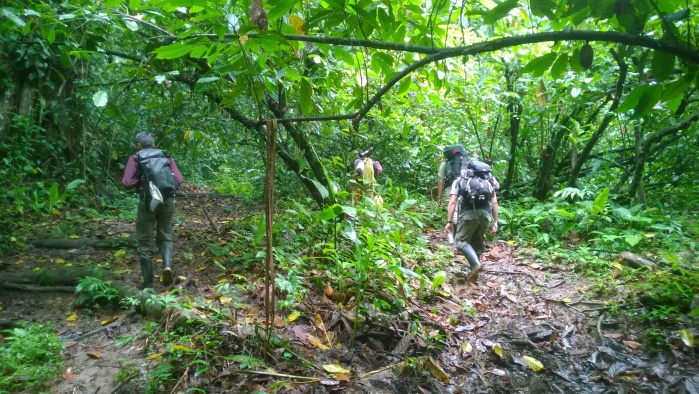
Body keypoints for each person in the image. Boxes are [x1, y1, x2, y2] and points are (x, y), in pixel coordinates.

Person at [121, 132, 184, 288]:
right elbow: (179, 180)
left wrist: (142, 181)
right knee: (165, 236)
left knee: (144, 241)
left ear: (139, 145)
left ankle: (147, 282)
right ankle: (167, 266)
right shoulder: (165, 156)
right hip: (168, 200)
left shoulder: (136, 158)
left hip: (148, 202)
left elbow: (127, 182)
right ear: (154, 144)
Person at [444, 171, 499, 283]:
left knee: (460, 241)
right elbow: (494, 202)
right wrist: (495, 222)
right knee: (477, 242)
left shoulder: (461, 180)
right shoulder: (489, 180)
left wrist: (449, 221)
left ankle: (475, 265)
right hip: (486, 215)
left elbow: (453, 201)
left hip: (468, 214)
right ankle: (474, 276)